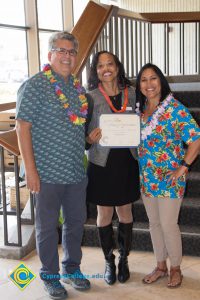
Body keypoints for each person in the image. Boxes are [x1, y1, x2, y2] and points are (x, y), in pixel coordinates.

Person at [15, 31, 90, 300]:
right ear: (50, 55)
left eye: (71, 51)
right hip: (45, 173)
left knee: (76, 222)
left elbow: (75, 127)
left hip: (75, 171)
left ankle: (72, 269)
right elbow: (21, 128)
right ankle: (50, 276)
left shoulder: (77, 89)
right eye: (61, 50)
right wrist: (31, 171)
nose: (67, 56)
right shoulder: (34, 85)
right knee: (47, 227)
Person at [135, 63, 200, 288]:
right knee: (153, 224)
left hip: (170, 179)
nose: (149, 84)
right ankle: (160, 265)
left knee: (168, 224)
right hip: (147, 179)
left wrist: (184, 166)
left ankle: (176, 268)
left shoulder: (174, 109)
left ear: (161, 81)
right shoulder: (141, 110)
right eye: (143, 80)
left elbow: (196, 139)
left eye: (153, 78)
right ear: (139, 85)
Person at [85, 51, 140, 285]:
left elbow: (144, 120)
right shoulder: (89, 97)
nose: (106, 69)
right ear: (95, 70)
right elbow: (80, 134)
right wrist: (88, 139)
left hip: (127, 161)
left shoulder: (133, 92)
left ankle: (124, 259)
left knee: (125, 211)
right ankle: (109, 260)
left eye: (110, 64)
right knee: (104, 213)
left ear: (117, 67)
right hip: (101, 163)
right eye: (100, 65)